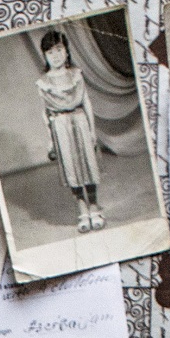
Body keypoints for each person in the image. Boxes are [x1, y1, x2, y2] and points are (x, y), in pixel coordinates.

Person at [35, 28, 107, 234]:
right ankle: (82, 209)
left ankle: (94, 206)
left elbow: (86, 102)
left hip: (80, 121)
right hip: (60, 126)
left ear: (66, 51)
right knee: (71, 169)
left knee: (88, 165)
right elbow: (45, 113)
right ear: (45, 56)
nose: (55, 56)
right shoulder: (43, 83)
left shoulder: (76, 75)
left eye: (59, 50)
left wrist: (93, 130)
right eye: (50, 52)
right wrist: (50, 140)